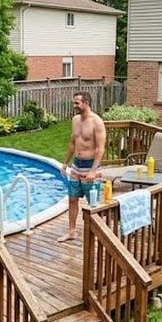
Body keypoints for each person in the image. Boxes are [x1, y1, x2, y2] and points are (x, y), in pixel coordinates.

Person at [59, 92, 107, 243]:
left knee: (93, 203)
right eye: (74, 103)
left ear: (86, 103)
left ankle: (98, 235)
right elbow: (72, 143)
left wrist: (93, 170)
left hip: (90, 167)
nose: (74, 106)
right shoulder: (75, 120)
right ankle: (72, 231)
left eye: (77, 103)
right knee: (72, 199)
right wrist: (65, 162)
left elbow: (100, 148)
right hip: (76, 165)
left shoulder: (97, 122)